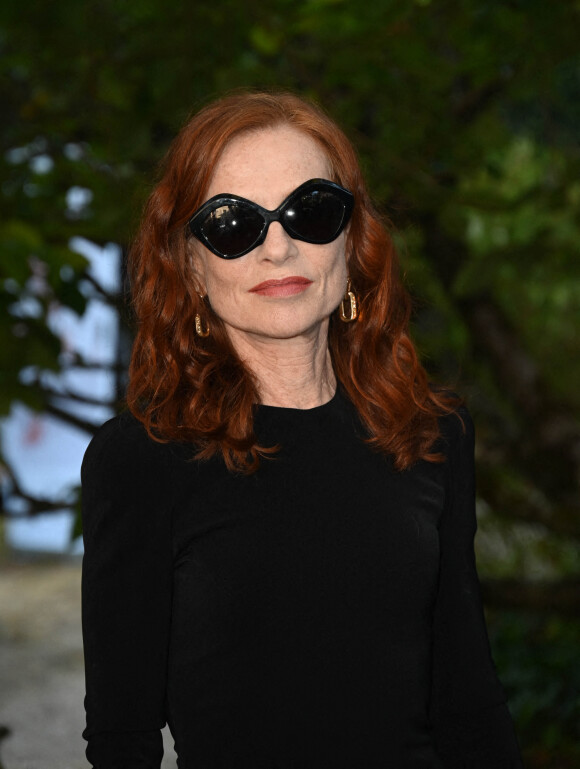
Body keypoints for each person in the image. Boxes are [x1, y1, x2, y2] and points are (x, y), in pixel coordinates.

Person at [81, 90, 523, 768]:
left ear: (352, 241)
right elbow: (122, 735)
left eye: (311, 211)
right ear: (191, 264)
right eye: (232, 223)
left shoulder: (433, 435)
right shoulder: (141, 460)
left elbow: (469, 697)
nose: (279, 246)